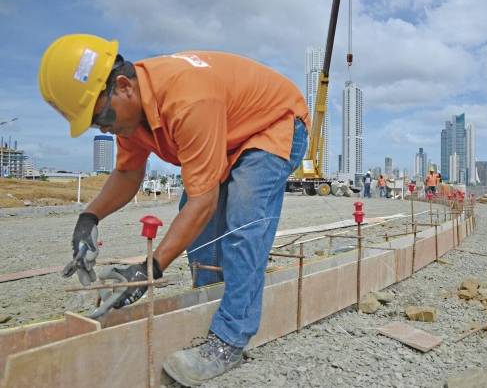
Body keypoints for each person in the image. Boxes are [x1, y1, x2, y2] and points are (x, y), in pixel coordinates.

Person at [38, 34, 309, 385]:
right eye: (94, 124)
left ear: (123, 86)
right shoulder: (129, 116)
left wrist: (149, 269)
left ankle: (230, 338)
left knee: (243, 218)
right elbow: (126, 173)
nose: (103, 128)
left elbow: (203, 201)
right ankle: (211, 305)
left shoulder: (186, 98)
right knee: (198, 227)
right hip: (229, 134)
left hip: (273, 123)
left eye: (101, 116)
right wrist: (87, 219)